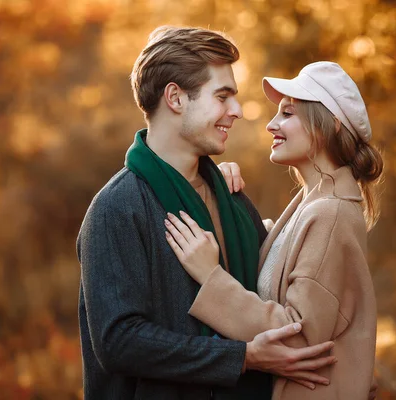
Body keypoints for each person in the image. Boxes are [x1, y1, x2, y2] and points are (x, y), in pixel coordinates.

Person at [77, 27, 339, 400]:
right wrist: (243, 358)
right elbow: (119, 341)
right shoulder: (116, 209)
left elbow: (278, 291)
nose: (237, 111)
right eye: (222, 97)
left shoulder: (232, 199)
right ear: (176, 98)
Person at [165, 61, 383, 399]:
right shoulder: (313, 204)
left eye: (287, 113)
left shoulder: (331, 213)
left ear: (328, 125)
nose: (271, 125)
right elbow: (280, 268)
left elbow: (298, 338)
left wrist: (211, 277)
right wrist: (219, 191)